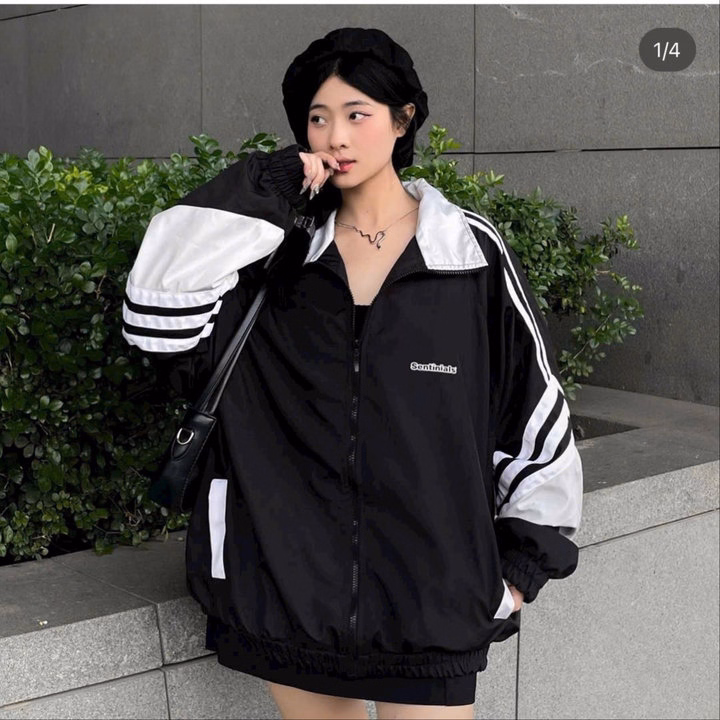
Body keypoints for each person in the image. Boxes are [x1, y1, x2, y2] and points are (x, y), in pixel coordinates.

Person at [122, 27, 583, 720]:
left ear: (403, 121)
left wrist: (522, 566)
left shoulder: (468, 252)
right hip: (283, 589)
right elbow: (155, 318)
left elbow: (533, 410)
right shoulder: (276, 253)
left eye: (357, 113)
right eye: (317, 118)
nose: (335, 136)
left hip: (431, 599)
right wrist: (269, 185)